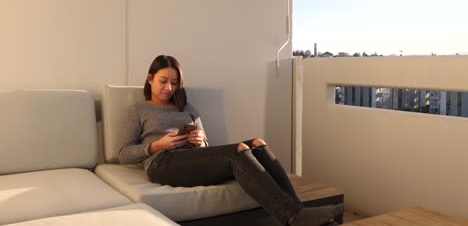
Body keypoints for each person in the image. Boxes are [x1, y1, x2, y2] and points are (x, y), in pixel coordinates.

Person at [118, 55, 343, 226]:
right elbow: (123, 153)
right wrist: (157, 145)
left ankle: (298, 211)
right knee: (238, 150)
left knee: (257, 143)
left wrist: (199, 141)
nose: (169, 88)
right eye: (163, 81)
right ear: (150, 79)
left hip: (191, 157)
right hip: (162, 163)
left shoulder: (187, 108)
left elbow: (207, 145)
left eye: (174, 83)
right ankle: (293, 216)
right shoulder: (138, 110)